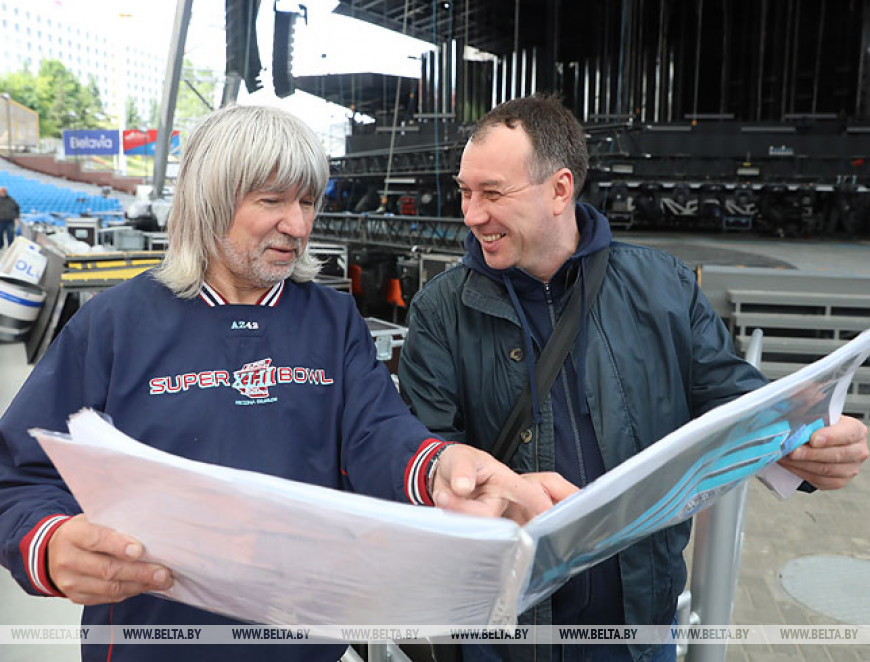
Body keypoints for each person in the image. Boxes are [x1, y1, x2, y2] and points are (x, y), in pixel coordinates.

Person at [0, 104, 574, 662]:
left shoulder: (331, 320)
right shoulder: (116, 324)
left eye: (306, 201)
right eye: (272, 200)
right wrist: (49, 545)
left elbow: (377, 433)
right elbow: (17, 474)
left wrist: (443, 468)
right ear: (211, 201)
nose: (297, 225)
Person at [397, 94, 869, 662]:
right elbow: (424, 454)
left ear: (560, 189)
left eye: (493, 193)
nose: (471, 214)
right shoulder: (439, 310)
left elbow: (741, 404)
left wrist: (813, 443)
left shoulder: (665, 289)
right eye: (466, 191)